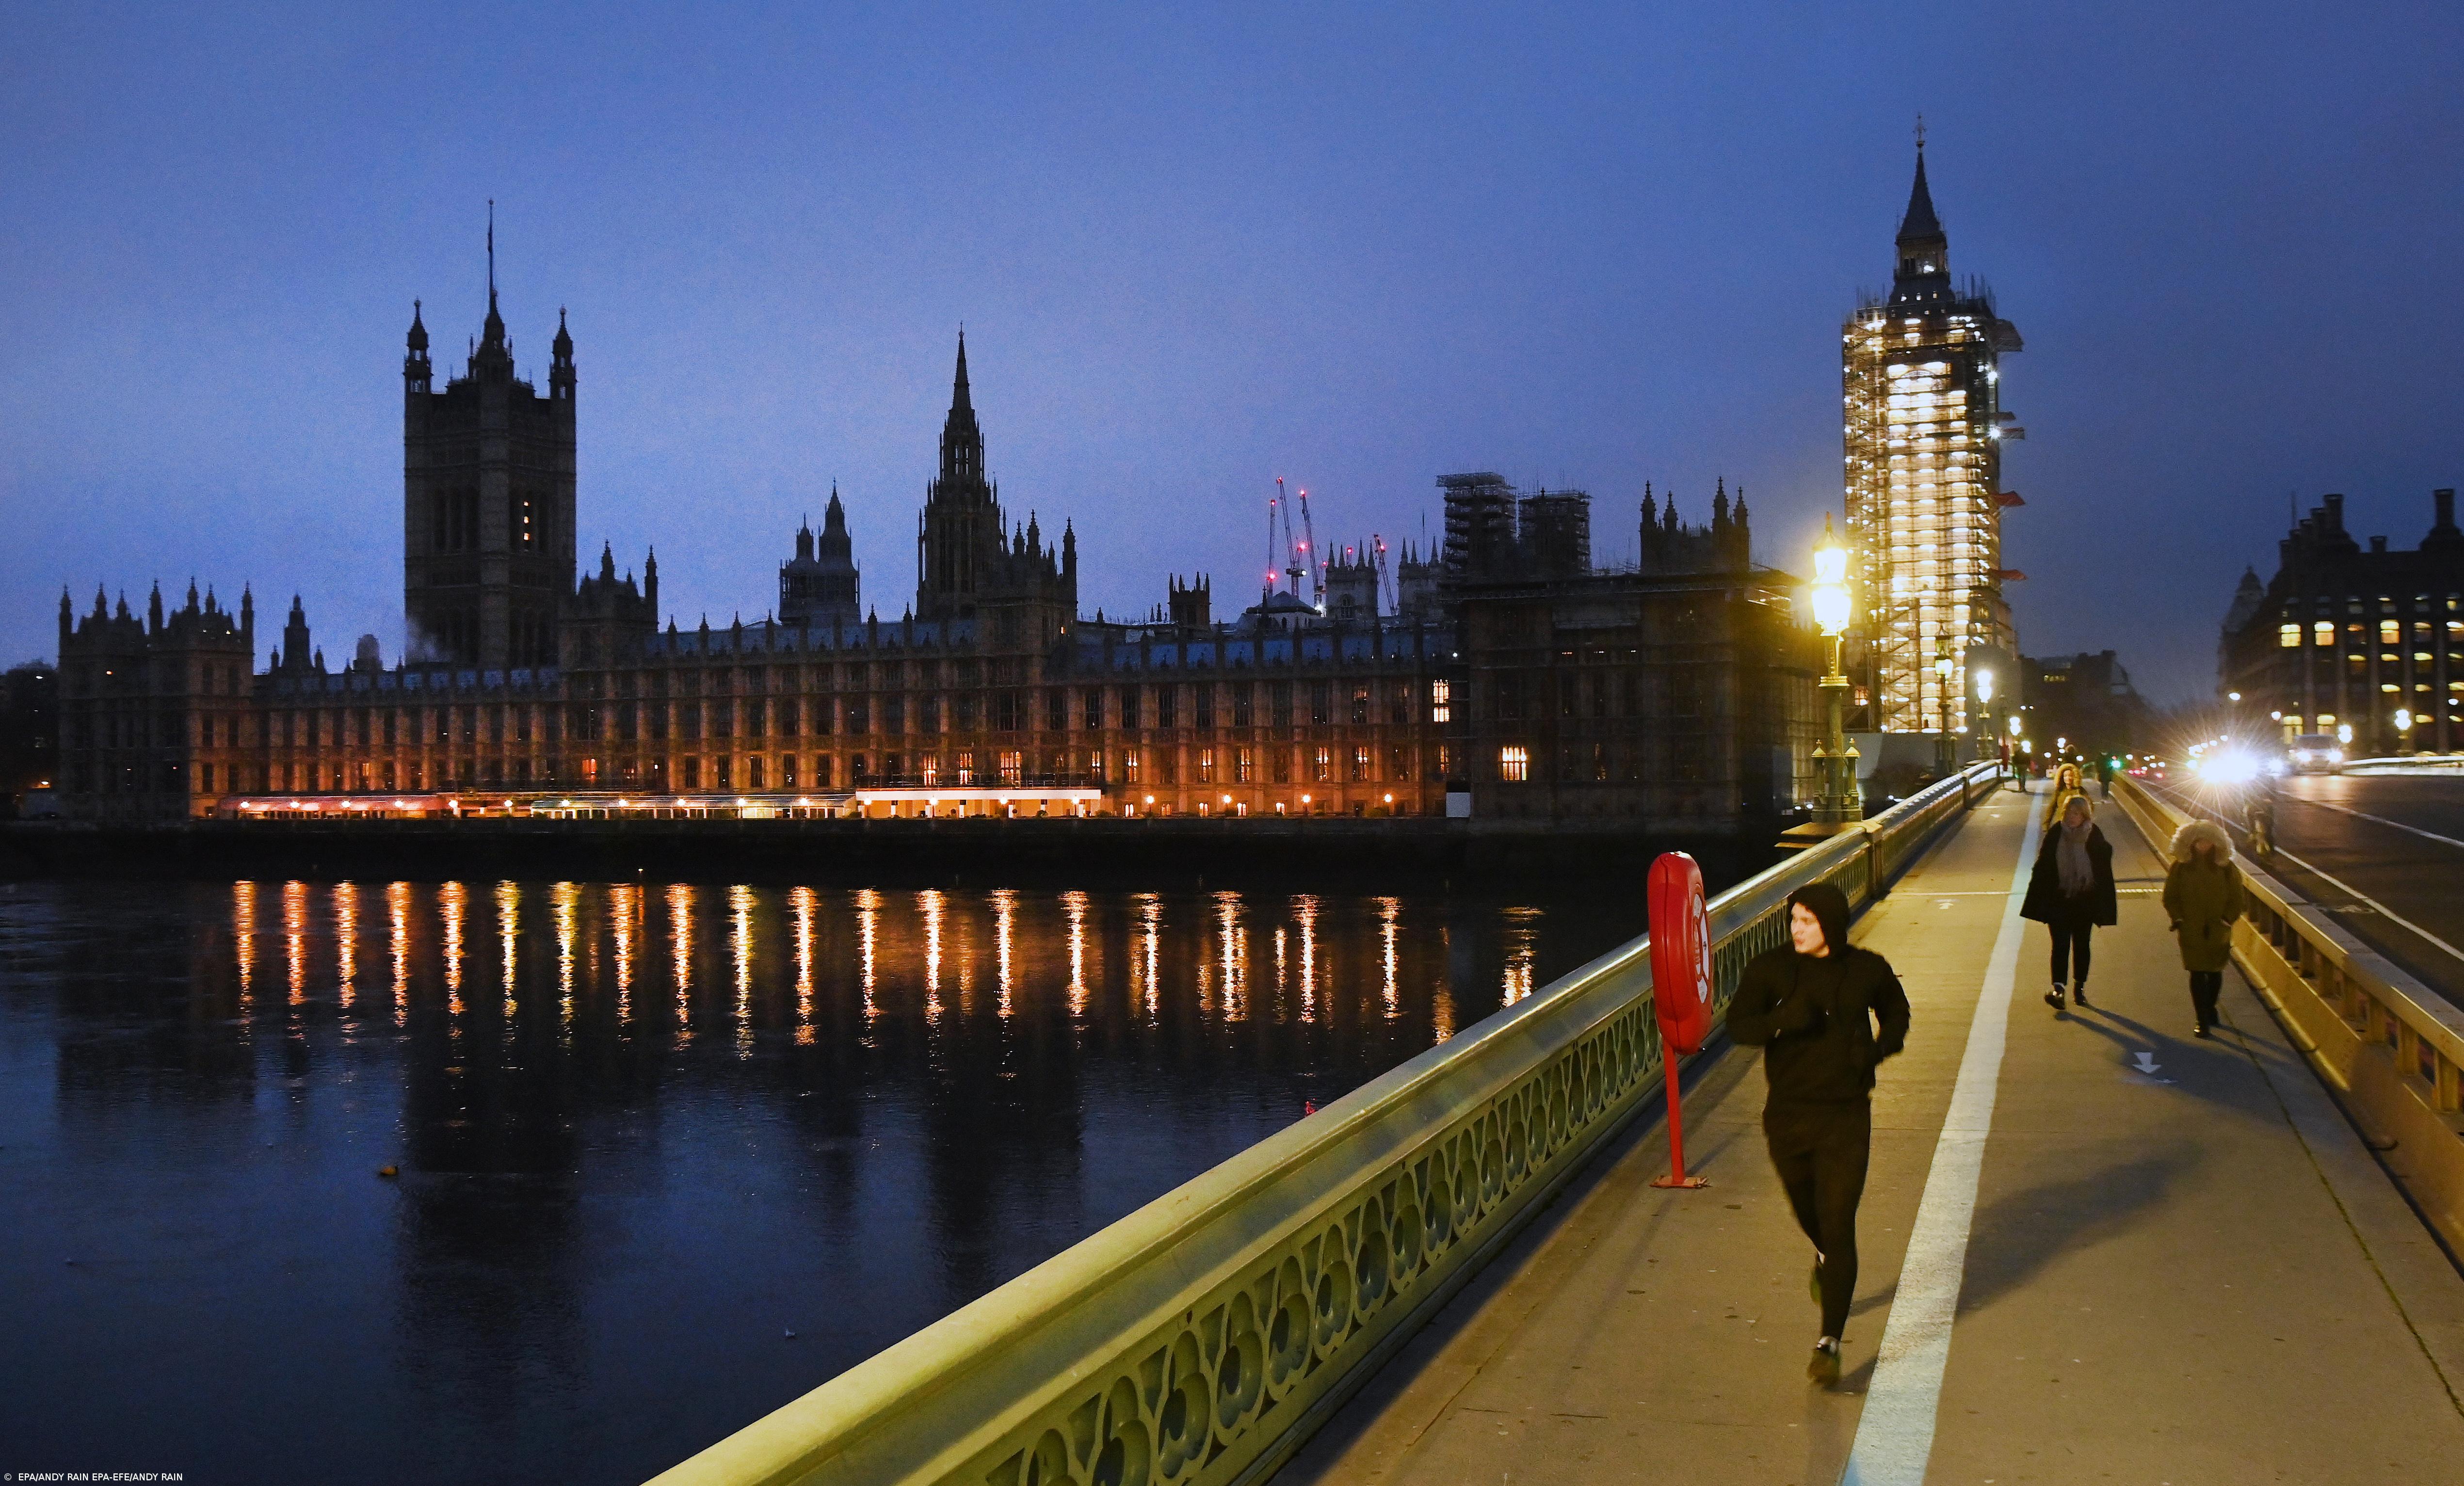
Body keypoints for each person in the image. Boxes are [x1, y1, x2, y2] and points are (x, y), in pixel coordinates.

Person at [1725, 881, 1910, 1388]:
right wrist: (1780, 1022)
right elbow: (1737, 1025)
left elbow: (1897, 1012)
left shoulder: (1866, 969)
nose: (1796, 929)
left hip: (1846, 1114)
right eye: (1793, 920)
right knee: (1809, 1211)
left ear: (1829, 923)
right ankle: (1824, 1255)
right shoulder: (1771, 969)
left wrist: (1876, 1050)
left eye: (1806, 920)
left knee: (1839, 1220)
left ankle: (1829, 1342)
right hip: (1788, 1114)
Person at [2021, 793, 2117, 1009]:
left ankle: (2079, 988)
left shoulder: (2093, 834)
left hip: (2084, 899)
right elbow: (2044, 865)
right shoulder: (2056, 833)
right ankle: (2059, 989)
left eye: (2076, 814)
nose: (2071, 817)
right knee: (2060, 945)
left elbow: (2103, 866)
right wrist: (2039, 898)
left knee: (2082, 945)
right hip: (2060, 899)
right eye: (2068, 813)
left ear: (2085, 816)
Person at [2163, 820, 2245, 1036]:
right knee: (2197, 972)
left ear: (2217, 843)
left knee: (2215, 972)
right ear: (2189, 843)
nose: (2203, 845)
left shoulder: (2226, 868)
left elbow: (2237, 898)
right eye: (2199, 841)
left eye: (2208, 841)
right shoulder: (2180, 868)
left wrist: (2227, 919)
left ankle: (2210, 1007)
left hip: (2218, 929)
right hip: (2191, 928)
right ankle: (2202, 1019)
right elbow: (2171, 896)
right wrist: (2179, 918)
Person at [2041, 762, 2087, 830]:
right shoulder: (2059, 791)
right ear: (2062, 777)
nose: (2068, 778)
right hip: (2061, 824)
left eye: (2070, 776)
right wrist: (2046, 824)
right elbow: (2051, 808)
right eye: (2065, 776)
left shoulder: (2080, 791)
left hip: (2077, 826)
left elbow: (2088, 807)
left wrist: (2085, 822)